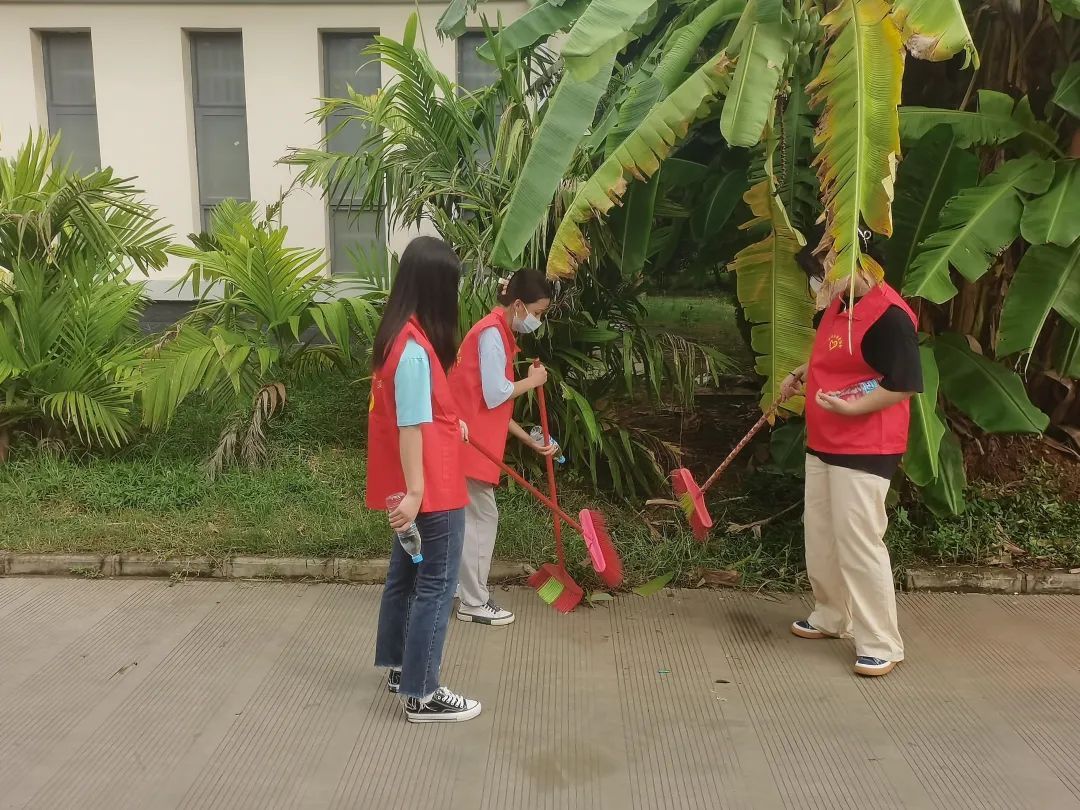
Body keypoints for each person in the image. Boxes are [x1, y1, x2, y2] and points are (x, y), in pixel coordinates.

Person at [780, 236, 923, 678]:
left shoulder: (890, 316)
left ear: (861, 264)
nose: (819, 279)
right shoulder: (837, 303)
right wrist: (803, 372)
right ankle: (831, 615)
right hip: (824, 438)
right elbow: (837, 357)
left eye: (826, 268)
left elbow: (902, 384)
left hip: (866, 445)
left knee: (858, 540)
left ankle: (881, 642)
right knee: (821, 532)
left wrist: (854, 409)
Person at [366, 236, 480, 723]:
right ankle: (423, 693)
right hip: (432, 487)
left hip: (416, 483)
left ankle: (400, 668)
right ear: (437, 288)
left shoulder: (396, 337)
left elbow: (418, 411)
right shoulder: (414, 351)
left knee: (407, 576)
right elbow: (410, 424)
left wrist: (453, 422)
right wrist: (416, 493)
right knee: (435, 584)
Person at [450, 270, 558, 626]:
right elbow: (496, 393)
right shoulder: (492, 335)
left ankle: (460, 589)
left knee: (469, 519)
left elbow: (489, 404)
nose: (537, 320)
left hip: (469, 439)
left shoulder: (495, 331)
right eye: (537, 312)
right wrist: (533, 380)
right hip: (468, 443)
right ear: (518, 305)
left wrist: (529, 440)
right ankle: (474, 601)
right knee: (482, 518)